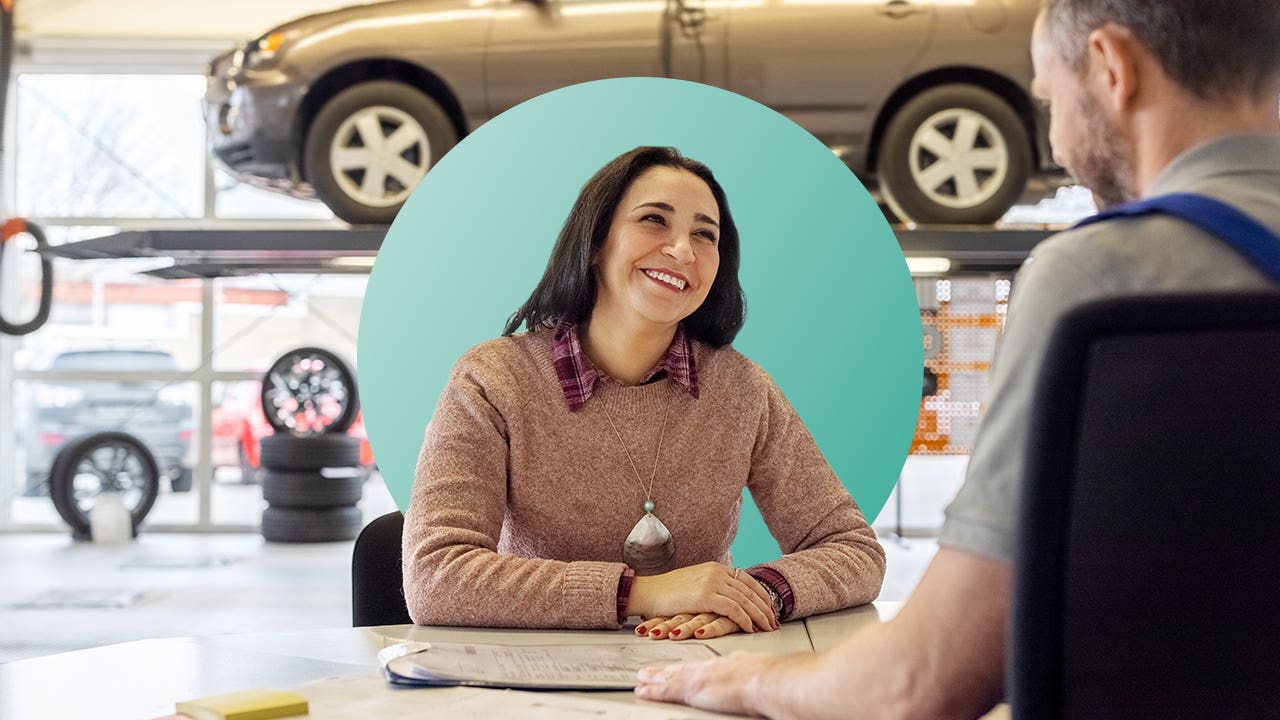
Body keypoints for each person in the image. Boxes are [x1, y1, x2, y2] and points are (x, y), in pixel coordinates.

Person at [635, 0, 1280, 714]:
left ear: (1111, 67)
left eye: (1048, 99)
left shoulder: (1098, 276)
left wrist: (740, 679)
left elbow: (924, 682)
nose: (1059, 141)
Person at [402, 146, 886, 640]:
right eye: (654, 220)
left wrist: (752, 593)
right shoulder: (492, 380)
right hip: (534, 679)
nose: (682, 250)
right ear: (595, 242)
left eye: (705, 234)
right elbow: (435, 576)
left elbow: (854, 549)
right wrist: (645, 593)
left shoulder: (743, 390)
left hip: (696, 672)